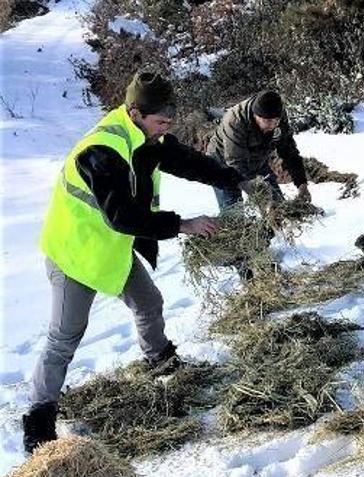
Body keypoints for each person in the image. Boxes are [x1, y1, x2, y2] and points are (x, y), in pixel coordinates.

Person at [23, 71, 245, 453]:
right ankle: (38, 422)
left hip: (111, 250)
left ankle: (161, 361)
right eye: (159, 123)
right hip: (74, 255)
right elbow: (122, 216)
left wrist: (232, 178)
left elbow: (186, 160)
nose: (164, 131)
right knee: (64, 338)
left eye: (168, 124)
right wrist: (183, 224)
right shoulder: (102, 149)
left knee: (149, 302)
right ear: (134, 112)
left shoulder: (147, 137)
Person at [208, 91, 310, 211]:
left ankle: (274, 226)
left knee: (279, 208)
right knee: (234, 213)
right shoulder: (234, 120)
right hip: (224, 164)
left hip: (257, 159)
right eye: (267, 121)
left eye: (275, 121)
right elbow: (236, 163)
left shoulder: (278, 116)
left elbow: (289, 152)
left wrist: (302, 184)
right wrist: (263, 199)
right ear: (255, 115)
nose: (272, 126)